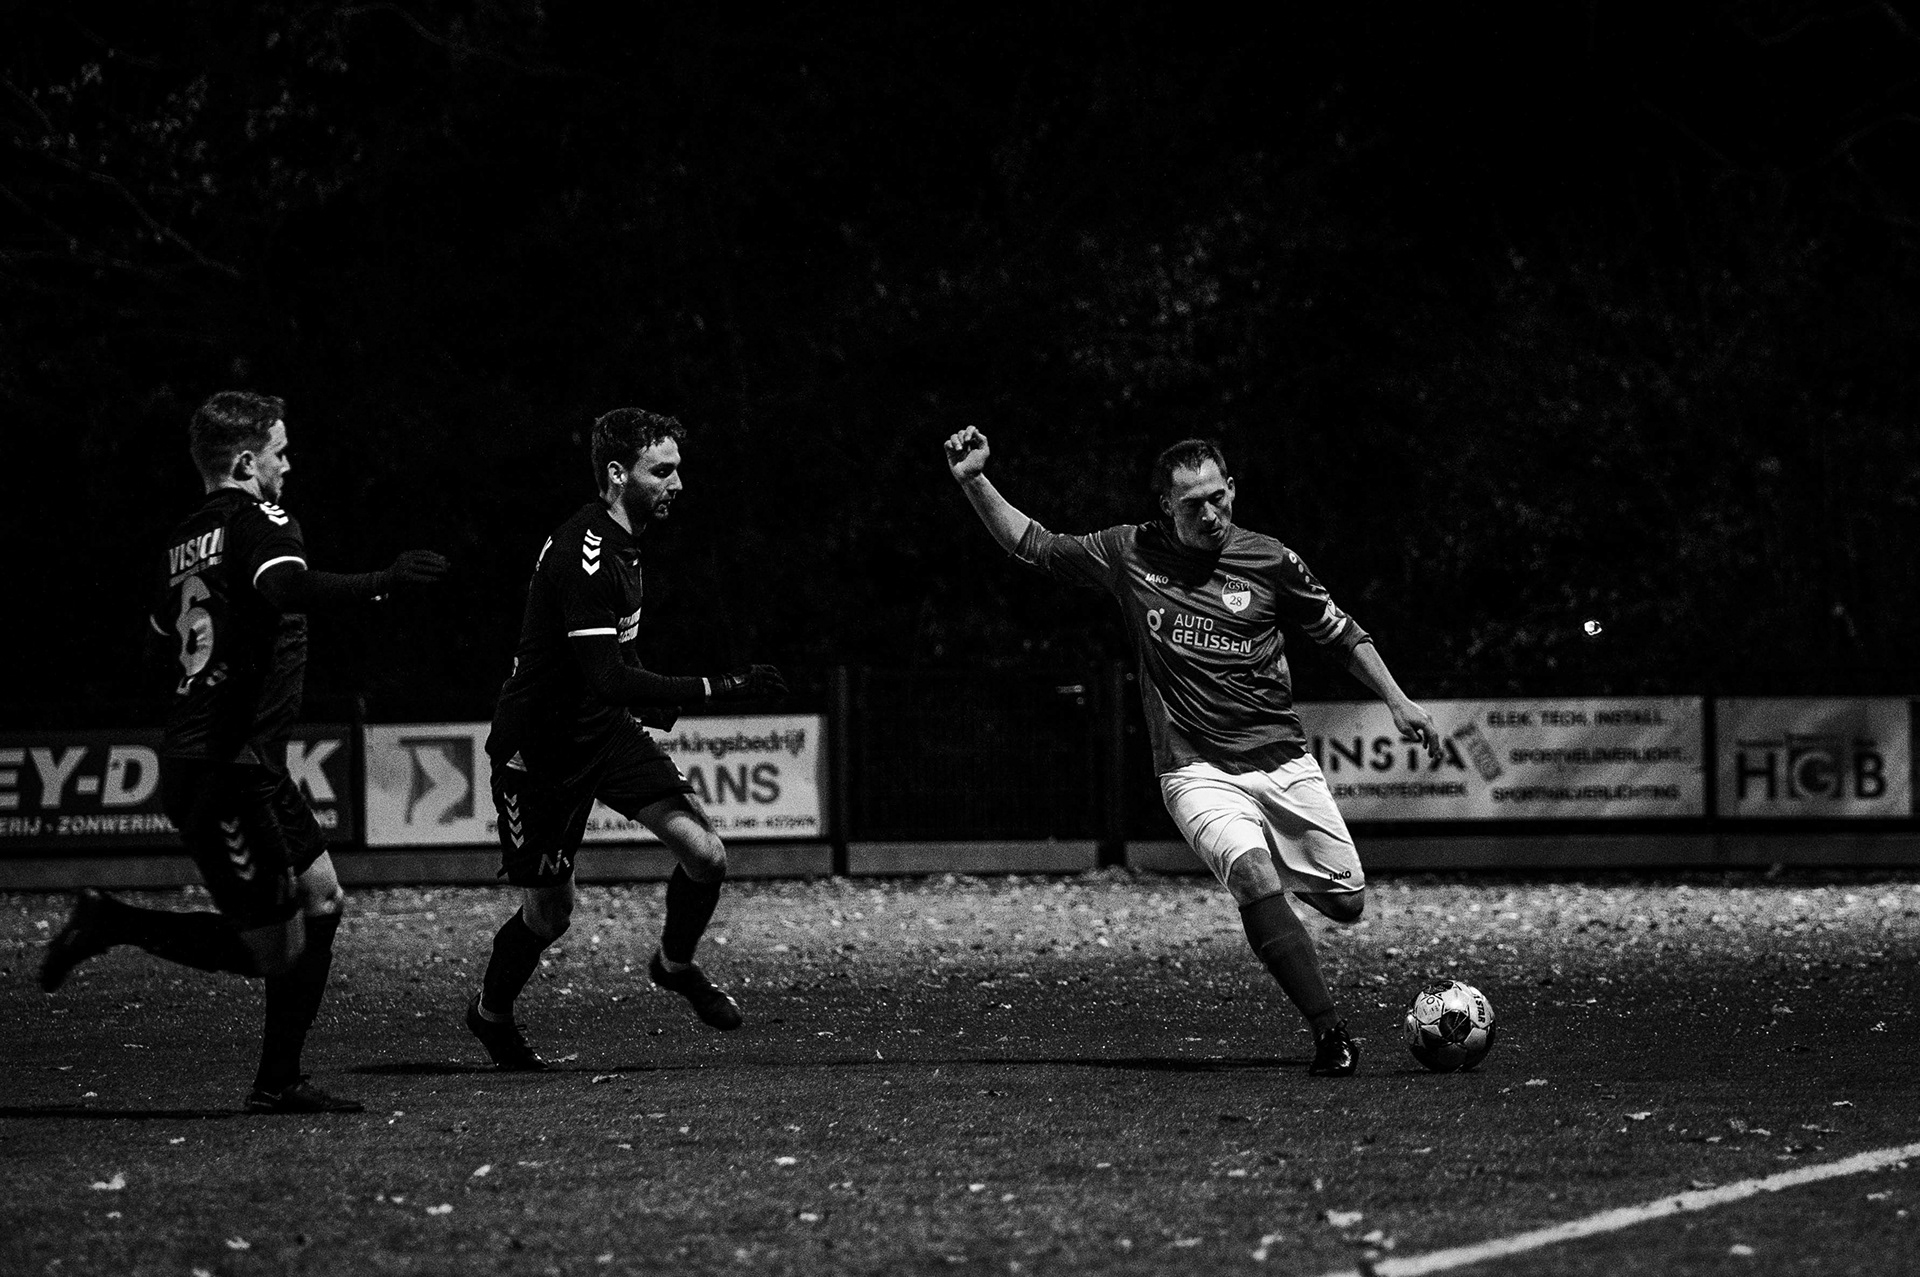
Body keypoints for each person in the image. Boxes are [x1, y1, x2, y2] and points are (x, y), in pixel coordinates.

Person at [944, 428, 1441, 1076]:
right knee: (1253, 877)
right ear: (1166, 507)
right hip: (1194, 768)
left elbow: (1339, 632)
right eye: (1192, 504)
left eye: (1217, 497)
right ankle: (1330, 1033)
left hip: (1281, 758)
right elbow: (1032, 543)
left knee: (1348, 903)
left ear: (1232, 488)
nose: (1210, 513)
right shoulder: (1129, 551)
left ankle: (1280, 884)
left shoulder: (1270, 559)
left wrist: (1398, 700)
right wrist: (975, 480)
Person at [39, 390, 448, 1112]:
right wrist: (381, 583)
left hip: (243, 760)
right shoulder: (260, 518)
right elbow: (285, 585)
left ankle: (278, 1080)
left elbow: (157, 642)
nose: (288, 467)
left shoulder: (181, 541)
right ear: (245, 463)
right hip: (222, 768)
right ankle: (112, 922)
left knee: (323, 898)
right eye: (279, 453)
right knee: (275, 948)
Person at [463, 407, 786, 1071]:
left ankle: (674, 963)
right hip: (541, 752)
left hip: (603, 731)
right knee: (550, 916)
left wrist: (658, 704)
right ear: (617, 474)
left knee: (706, 854)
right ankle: (490, 1015)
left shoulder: (628, 543)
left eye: (677, 469)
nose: (678, 483)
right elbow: (608, 676)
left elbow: (615, 667)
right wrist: (720, 686)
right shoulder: (587, 553)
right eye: (661, 470)